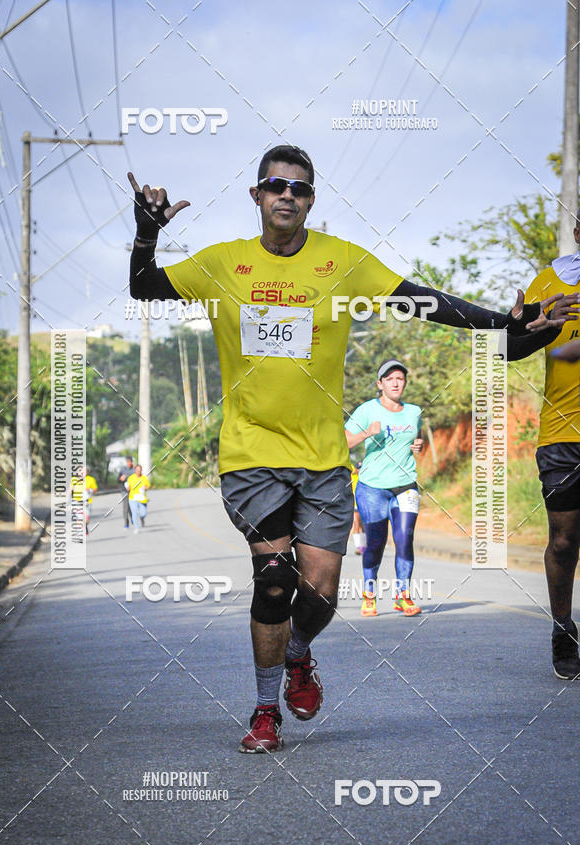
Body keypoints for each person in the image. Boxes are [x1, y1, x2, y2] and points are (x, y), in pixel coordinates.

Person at [128, 144, 569, 753]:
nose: (288, 195)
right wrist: (146, 234)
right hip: (250, 455)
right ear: (256, 196)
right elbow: (145, 287)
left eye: (300, 189)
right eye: (276, 185)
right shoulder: (222, 264)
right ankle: (263, 710)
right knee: (274, 580)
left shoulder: (343, 264)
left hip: (323, 459)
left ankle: (300, 655)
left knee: (323, 593)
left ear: (311, 201)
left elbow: (424, 301)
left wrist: (507, 322)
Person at [518, 225, 580, 679]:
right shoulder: (549, 281)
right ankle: (563, 629)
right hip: (562, 432)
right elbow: (503, 349)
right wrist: (530, 328)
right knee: (564, 540)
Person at [345, 359, 423, 618]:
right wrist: (368, 432)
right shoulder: (366, 410)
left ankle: (403, 596)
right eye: (389, 379)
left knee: (404, 538)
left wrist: (418, 445)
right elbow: (344, 442)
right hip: (372, 488)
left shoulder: (414, 411)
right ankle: (369, 594)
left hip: (406, 485)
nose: (396, 382)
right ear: (380, 384)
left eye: (400, 378)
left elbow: (415, 437)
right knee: (376, 543)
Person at [70, 466, 97, 535]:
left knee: (86, 518)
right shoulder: (74, 479)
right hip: (76, 501)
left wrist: (90, 490)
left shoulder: (91, 479)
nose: (82, 473)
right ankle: (80, 531)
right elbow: (70, 489)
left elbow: (95, 490)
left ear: (87, 472)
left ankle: (85, 526)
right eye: (81, 471)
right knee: (79, 517)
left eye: (84, 471)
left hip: (87, 501)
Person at [126, 464, 150, 533]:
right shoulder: (131, 478)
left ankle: (142, 518)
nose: (138, 471)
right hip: (133, 498)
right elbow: (128, 486)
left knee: (143, 513)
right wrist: (128, 488)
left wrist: (144, 488)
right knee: (134, 513)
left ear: (141, 470)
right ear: (135, 470)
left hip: (142, 498)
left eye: (139, 470)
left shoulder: (144, 478)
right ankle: (136, 528)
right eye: (137, 470)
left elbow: (148, 486)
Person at [350, 463, 366, 555]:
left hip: (363, 504)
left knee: (363, 526)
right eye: (358, 468)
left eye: (361, 468)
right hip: (355, 504)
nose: (359, 470)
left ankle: (364, 545)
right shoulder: (353, 476)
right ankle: (359, 547)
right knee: (356, 524)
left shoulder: (365, 478)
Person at [118, 455, 134, 528]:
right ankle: (126, 522)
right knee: (125, 507)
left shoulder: (134, 469)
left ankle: (133, 518)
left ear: (132, 462)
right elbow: (118, 479)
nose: (129, 463)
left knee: (131, 506)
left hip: (133, 490)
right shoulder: (123, 469)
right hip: (124, 490)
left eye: (130, 462)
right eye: (127, 462)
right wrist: (121, 479)